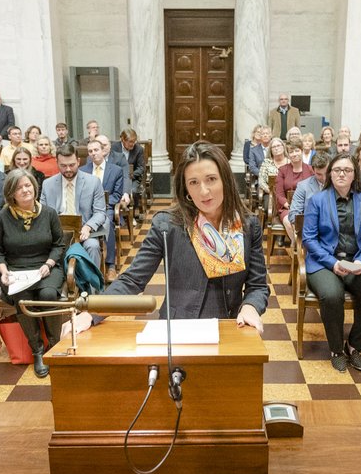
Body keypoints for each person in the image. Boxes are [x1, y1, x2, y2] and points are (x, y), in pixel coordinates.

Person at [104, 141, 267, 331]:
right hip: (178, 328)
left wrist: (250, 307)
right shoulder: (167, 225)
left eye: (211, 179)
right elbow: (133, 280)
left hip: (230, 326)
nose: (203, 191)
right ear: (186, 189)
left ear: (225, 180)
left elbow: (257, 286)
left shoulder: (248, 225)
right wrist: (90, 313)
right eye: (194, 183)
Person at [302, 154, 361, 372]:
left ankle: (355, 346)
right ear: (330, 173)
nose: (341, 174)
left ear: (354, 175)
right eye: (337, 169)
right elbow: (309, 238)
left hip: (356, 259)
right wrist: (331, 263)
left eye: (347, 170)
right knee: (332, 295)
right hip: (323, 262)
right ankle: (336, 349)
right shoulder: (317, 200)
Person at [0, 168, 67, 378]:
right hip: (15, 271)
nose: (25, 190)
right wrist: (3, 271)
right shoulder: (2, 217)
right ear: (11, 193)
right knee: (23, 298)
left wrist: (49, 263)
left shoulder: (48, 213)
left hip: (46, 267)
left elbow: (59, 245)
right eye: (19, 187)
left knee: (48, 295)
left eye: (28, 185)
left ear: (35, 187)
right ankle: (38, 350)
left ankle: (54, 344)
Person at [80, 138, 125, 268]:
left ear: (103, 151)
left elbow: (116, 195)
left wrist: (101, 204)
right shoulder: (83, 170)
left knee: (108, 222)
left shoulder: (116, 170)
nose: (93, 153)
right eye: (90, 151)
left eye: (96, 150)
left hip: (107, 208)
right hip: (87, 209)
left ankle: (110, 264)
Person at [286, 153, 330, 234]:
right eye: (319, 174)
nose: (324, 178)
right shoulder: (303, 186)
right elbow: (293, 214)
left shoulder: (338, 184)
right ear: (313, 170)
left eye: (327, 173)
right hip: (311, 230)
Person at [274, 143, 313, 231]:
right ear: (288, 154)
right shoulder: (282, 170)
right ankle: (295, 243)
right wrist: (288, 205)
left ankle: (298, 243)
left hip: (307, 206)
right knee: (289, 221)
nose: (294, 154)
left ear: (302, 151)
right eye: (291, 152)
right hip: (287, 206)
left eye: (297, 151)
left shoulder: (310, 169)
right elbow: (279, 193)